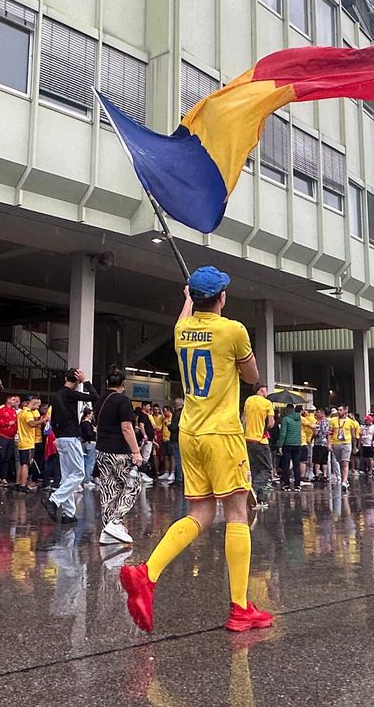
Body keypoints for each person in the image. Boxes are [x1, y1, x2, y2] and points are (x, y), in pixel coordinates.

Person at [120, 266, 269, 634]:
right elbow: (253, 377)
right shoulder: (233, 330)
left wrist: (187, 299)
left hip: (189, 432)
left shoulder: (182, 331)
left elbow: (186, 319)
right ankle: (239, 608)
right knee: (237, 512)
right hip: (222, 433)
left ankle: (147, 573)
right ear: (221, 297)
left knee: (200, 512)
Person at [95, 367, 143, 544]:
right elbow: (127, 428)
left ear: (108, 383)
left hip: (102, 450)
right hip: (119, 451)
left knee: (109, 489)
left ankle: (107, 531)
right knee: (133, 486)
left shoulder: (101, 400)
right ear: (124, 383)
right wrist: (136, 452)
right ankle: (116, 521)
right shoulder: (122, 401)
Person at [44, 368, 99, 523]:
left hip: (60, 438)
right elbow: (95, 397)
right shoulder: (70, 394)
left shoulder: (56, 395)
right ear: (76, 380)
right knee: (79, 474)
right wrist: (86, 381)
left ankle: (69, 513)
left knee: (67, 476)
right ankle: (54, 500)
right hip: (70, 438)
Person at [242, 384, 275, 506]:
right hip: (261, 440)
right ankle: (254, 489)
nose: (267, 392)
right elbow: (271, 423)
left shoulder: (248, 400)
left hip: (248, 439)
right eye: (266, 390)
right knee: (266, 469)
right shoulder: (267, 403)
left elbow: (243, 419)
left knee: (255, 469)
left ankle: (259, 498)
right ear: (261, 390)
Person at [15, 397, 44, 492]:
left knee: (22, 463)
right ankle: (23, 484)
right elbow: (31, 424)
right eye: (38, 405)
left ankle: (18, 482)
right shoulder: (27, 413)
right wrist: (43, 420)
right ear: (34, 403)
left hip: (22, 441)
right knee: (25, 464)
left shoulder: (21, 412)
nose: (38, 407)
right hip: (28, 442)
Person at [0, 395, 20, 487]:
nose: (15, 401)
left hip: (11, 438)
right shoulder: (1, 409)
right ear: (8, 400)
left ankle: (3, 478)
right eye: (13, 399)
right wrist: (6, 423)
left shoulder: (13, 411)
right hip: (1, 436)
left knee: (7, 458)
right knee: (0, 457)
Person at [329, 405, 360, 491]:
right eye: (338, 410)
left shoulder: (351, 422)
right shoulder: (333, 421)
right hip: (336, 443)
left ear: (344, 411)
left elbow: (353, 436)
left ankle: (344, 481)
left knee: (345, 462)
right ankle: (344, 479)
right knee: (340, 462)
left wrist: (354, 447)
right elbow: (330, 433)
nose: (339, 412)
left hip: (346, 443)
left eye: (340, 410)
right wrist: (329, 444)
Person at [279, 406, 304, 491]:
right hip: (297, 444)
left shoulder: (285, 419)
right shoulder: (299, 418)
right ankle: (297, 484)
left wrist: (279, 445)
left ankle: (287, 484)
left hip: (287, 444)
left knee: (286, 465)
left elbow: (283, 433)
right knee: (296, 465)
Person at [166, 398, 183, 486]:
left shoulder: (176, 413)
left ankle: (178, 478)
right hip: (183, 438)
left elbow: (173, 427)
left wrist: (168, 425)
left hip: (175, 438)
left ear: (176, 404)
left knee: (177, 459)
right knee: (181, 459)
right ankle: (181, 478)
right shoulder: (184, 413)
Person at [79, 406, 97, 489]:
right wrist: (95, 432)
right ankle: (87, 479)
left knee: (85, 461)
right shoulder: (87, 424)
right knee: (90, 462)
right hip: (90, 443)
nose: (92, 416)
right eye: (91, 414)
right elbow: (89, 434)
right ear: (88, 414)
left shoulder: (82, 423)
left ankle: (84, 478)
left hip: (84, 443)